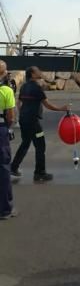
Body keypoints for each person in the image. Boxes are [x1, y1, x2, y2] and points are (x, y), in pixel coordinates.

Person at [11, 66, 69, 183]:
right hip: (33, 122)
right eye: (37, 71)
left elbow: (19, 102)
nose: (40, 72)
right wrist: (61, 109)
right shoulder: (37, 88)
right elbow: (47, 105)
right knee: (40, 146)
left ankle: (13, 168)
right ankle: (40, 173)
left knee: (25, 143)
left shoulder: (24, 87)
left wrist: (23, 113)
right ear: (32, 74)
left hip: (24, 120)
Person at [0, 60, 17, 219]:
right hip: (1, 130)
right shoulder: (6, 91)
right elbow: (11, 116)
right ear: (3, 73)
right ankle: (5, 209)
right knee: (4, 169)